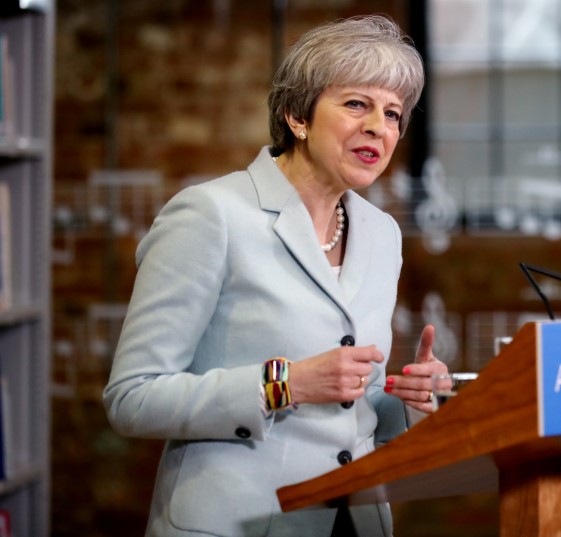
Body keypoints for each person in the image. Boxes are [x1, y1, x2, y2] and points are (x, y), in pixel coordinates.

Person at [103, 14, 448, 537]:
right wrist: (282, 383)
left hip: (356, 520)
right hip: (237, 523)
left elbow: (359, 404)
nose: (380, 126)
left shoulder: (382, 233)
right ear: (297, 115)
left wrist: (413, 400)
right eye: (357, 103)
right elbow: (133, 399)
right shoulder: (210, 214)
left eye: (394, 113)